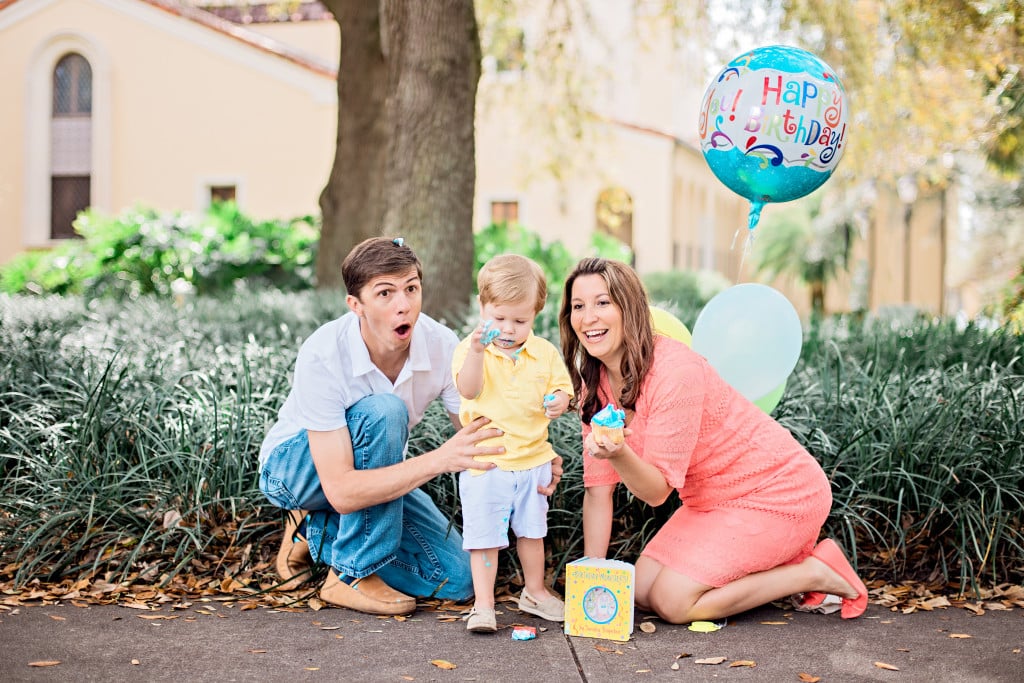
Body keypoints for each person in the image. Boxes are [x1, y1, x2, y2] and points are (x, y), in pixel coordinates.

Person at [258, 237, 563, 616]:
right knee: (384, 410)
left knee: (456, 578)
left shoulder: (440, 345)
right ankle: (349, 575)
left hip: (374, 475)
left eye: (411, 289)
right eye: (385, 293)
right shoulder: (324, 353)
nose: (403, 305)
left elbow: (479, 432)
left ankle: (315, 530)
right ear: (356, 305)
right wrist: (439, 460)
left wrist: (530, 455)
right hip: (295, 472)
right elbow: (340, 489)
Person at [557, 257, 869, 624]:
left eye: (603, 303)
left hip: (777, 490)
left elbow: (656, 492)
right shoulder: (594, 383)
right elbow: (598, 490)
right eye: (578, 306)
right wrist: (593, 578)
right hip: (710, 502)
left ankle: (813, 572)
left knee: (674, 604)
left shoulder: (674, 371)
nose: (588, 317)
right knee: (640, 591)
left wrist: (620, 452)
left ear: (630, 309)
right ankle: (769, 565)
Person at [452, 254, 573, 633]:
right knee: (485, 538)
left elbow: (562, 391)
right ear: (482, 306)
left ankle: (534, 591)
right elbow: (467, 389)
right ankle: (484, 605)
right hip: (487, 462)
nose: (508, 328)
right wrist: (475, 351)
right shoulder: (472, 350)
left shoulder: (545, 353)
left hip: (533, 460)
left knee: (532, 532)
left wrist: (558, 401)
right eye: (499, 317)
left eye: (520, 321)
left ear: (535, 315)